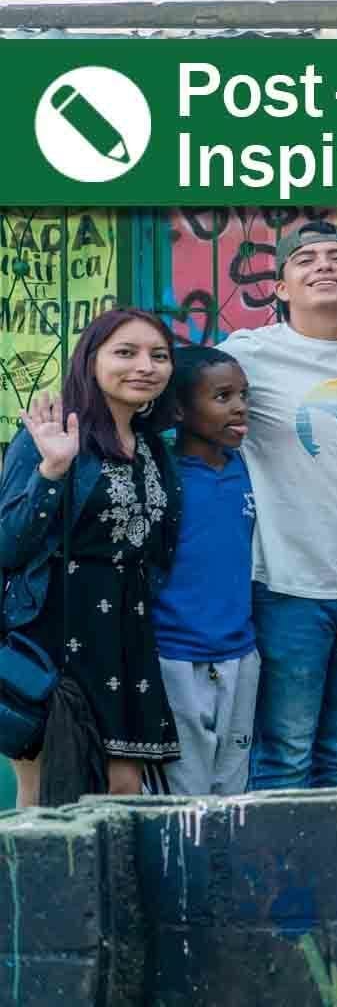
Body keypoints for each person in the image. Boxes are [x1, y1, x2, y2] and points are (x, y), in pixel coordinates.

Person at [220, 220, 337, 790]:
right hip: (285, 587)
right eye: (306, 260)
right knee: (285, 760)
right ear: (280, 287)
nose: (324, 265)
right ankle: (281, 883)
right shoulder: (246, 353)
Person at [1, 309, 183, 805]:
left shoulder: (152, 448)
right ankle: (34, 884)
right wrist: (51, 471)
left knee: (123, 787)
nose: (144, 365)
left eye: (159, 355)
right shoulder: (48, 434)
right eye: (125, 352)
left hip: (125, 631)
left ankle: (112, 886)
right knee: (46, 788)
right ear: (91, 360)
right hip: (53, 634)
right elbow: (8, 544)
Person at [149, 346, 260, 796]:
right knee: (184, 794)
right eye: (222, 397)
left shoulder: (245, 468)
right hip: (176, 657)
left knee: (231, 790)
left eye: (244, 395)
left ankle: (222, 869)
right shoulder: (161, 475)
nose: (239, 407)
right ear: (179, 408)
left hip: (240, 653)